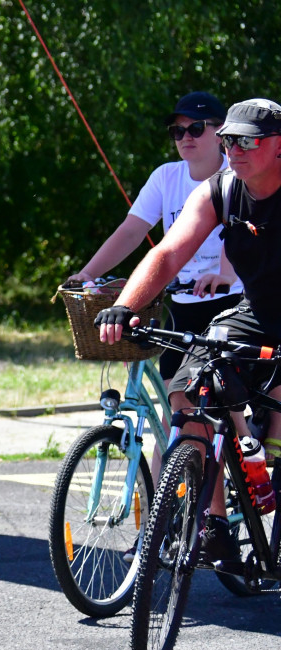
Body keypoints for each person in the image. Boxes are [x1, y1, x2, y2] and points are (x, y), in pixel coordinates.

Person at [96, 98, 281, 563]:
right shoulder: (222, 189)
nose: (234, 150)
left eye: (247, 140)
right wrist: (124, 305)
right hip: (257, 311)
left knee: (276, 435)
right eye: (229, 140)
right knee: (189, 388)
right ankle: (213, 521)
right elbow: (167, 253)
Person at [68, 91, 243, 382]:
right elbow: (131, 232)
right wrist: (86, 273)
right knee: (174, 395)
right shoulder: (166, 177)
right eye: (177, 131)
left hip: (233, 298)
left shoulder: (236, 174)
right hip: (183, 303)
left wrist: (225, 274)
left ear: (219, 133)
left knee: (233, 391)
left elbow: (238, 227)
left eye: (196, 128)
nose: (185, 137)